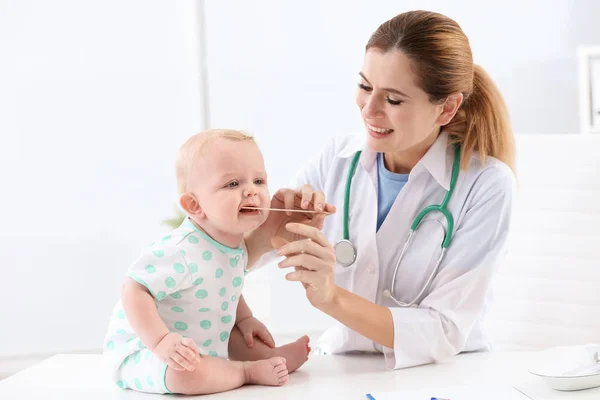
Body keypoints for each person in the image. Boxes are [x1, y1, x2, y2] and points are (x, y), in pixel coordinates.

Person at [243, 10, 517, 370]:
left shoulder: (485, 185)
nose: (369, 110)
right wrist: (266, 236)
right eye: (365, 86)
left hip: (446, 376)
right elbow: (228, 263)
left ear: (446, 108)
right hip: (347, 368)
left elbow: (445, 329)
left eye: (394, 100)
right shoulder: (338, 159)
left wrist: (332, 299)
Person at [102, 129, 310, 395]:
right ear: (194, 205)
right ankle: (246, 371)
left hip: (201, 341)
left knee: (239, 336)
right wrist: (161, 341)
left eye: (259, 180)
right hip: (144, 352)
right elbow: (133, 290)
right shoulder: (181, 250)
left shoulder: (233, 246)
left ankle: (270, 356)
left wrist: (245, 319)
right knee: (185, 375)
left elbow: (227, 284)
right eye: (233, 184)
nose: (251, 192)